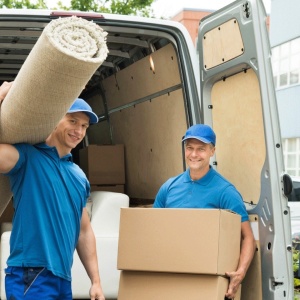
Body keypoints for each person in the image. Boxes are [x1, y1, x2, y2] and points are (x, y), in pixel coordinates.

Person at [0, 81, 105, 300]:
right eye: (72, 120)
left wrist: (96, 281)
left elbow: (84, 231)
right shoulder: (28, 157)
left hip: (62, 279)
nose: (78, 130)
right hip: (30, 274)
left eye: (84, 126)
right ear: (54, 118)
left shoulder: (79, 177)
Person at [153, 124, 256, 300]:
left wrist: (240, 273)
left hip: (206, 278)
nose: (194, 154)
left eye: (201, 149)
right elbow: (153, 228)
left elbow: (248, 238)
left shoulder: (225, 191)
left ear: (212, 151)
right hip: (172, 273)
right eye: (190, 148)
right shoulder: (169, 187)